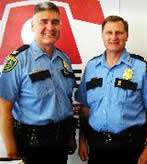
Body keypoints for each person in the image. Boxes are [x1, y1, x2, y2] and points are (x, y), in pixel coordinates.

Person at [75, 15, 147, 164]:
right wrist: (83, 141)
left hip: (131, 148)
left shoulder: (141, 68)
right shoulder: (91, 67)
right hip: (97, 147)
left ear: (126, 36)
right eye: (109, 32)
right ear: (102, 35)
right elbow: (85, 109)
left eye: (119, 32)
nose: (113, 37)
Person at [0, 2, 76, 164]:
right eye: (43, 21)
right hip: (29, 146)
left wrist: (70, 136)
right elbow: (4, 110)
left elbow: (66, 100)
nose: (50, 27)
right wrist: (12, 153)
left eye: (55, 22)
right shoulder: (18, 60)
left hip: (60, 144)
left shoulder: (64, 59)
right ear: (33, 26)